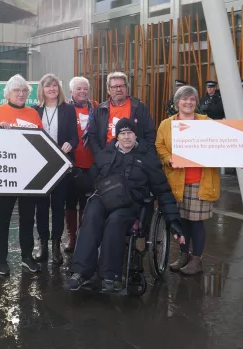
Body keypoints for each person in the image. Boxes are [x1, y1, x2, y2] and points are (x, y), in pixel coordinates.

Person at [65, 118, 183, 293]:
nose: (127, 137)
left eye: (130, 133)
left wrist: (173, 222)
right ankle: (80, 272)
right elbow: (90, 181)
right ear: (116, 136)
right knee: (91, 216)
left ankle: (110, 276)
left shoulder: (148, 159)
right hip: (103, 199)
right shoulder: (104, 155)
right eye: (123, 133)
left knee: (116, 220)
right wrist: (75, 174)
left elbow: (163, 190)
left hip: (130, 204)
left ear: (136, 135)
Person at [156, 85, 221, 275]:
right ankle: (184, 255)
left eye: (192, 99)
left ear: (196, 103)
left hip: (200, 180)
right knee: (182, 220)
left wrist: (237, 157)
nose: (189, 102)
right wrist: (169, 159)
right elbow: (159, 146)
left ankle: (196, 260)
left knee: (196, 222)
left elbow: (221, 144)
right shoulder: (166, 124)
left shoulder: (206, 122)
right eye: (184, 99)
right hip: (176, 180)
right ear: (177, 103)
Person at [0, 74, 44, 276]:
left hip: (28, 174)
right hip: (6, 175)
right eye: (16, 90)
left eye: (24, 91)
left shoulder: (34, 114)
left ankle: (27, 257)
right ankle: (1, 259)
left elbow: (41, 143)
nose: (20, 94)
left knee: (28, 218)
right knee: (3, 217)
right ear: (8, 93)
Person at [32, 73, 78, 264]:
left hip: (61, 164)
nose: (52, 89)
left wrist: (70, 144)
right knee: (41, 208)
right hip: (40, 166)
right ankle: (43, 246)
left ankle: (56, 246)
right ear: (41, 90)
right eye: (47, 86)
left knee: (58, 206)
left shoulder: (68, 109)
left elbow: (75, 137)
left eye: (55, 86)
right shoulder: (34, 110)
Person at [87, 71, 157, 159]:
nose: (119, 89)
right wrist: (100, 156)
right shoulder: (101, 109)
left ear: (126, 88)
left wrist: (148, 156)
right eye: (115, 87)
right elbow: (93, 135)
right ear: (108, 90)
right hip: (108, 158)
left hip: (135, 158)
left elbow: (150, 134)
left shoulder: (139, 107)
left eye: (121, 86)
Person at [65, 76, 99, 252]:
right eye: (78, 89)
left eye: (85, 88)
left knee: (87, 204)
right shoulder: (65, 108)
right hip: (71, 164)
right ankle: (71, 237)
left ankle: (83, 236)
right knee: (70, 204)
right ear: (71, 91)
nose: (82, 92)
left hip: (91, 164)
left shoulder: (96, 107)